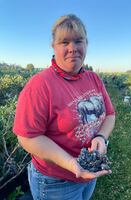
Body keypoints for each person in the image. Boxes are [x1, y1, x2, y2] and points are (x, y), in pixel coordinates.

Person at [13, 14, 115, 200]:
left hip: (88, 173)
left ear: (86, 44)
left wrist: (101, 137)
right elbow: (27, 137)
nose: (72, 48)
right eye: (64, 42)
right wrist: (71, 163)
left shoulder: (93, 78)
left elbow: (109, 114)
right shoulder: (40, 85)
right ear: (53, 46)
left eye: (78, 41)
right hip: (55, 182)